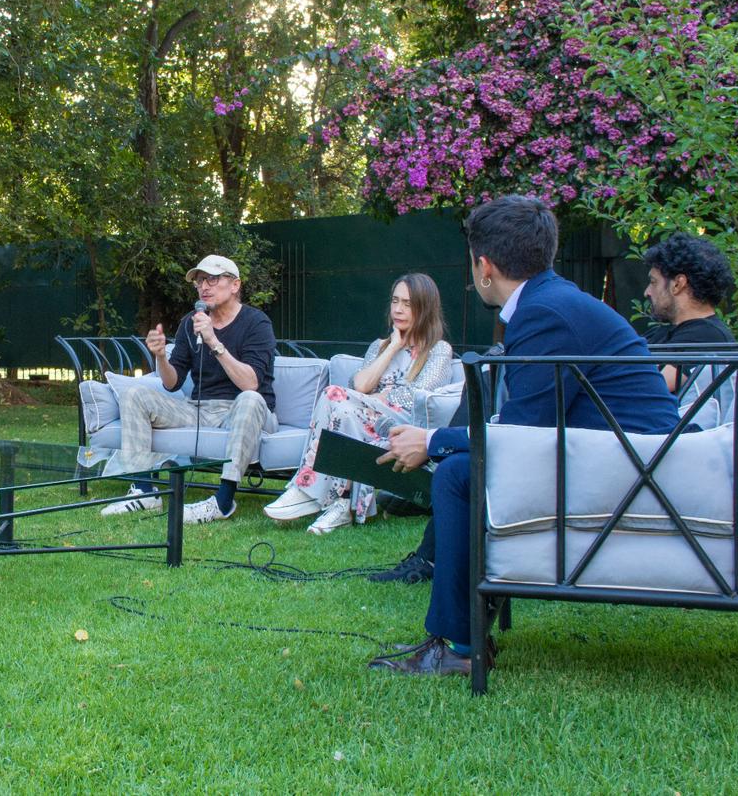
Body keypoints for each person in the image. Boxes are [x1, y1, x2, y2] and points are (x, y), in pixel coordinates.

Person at [371, 195, 680, 676]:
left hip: (637, 470)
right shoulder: (552, 301)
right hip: (627, 456)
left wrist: (431, 443)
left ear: (485, 266)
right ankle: (465, 633)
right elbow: (526, 424)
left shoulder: (544, 313)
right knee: (460, 467)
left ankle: (458, 647)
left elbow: (519, 434)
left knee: (456, 475)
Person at [263, 273, 452, 534]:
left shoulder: (438, 349)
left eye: (408, 303)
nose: (398, 309)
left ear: (425, 307)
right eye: (395, 301)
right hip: (364, 418)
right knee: (340, 407)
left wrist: (381, 398)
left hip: (402, 426)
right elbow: (359, 386)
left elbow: (420, 397)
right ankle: (341, 504)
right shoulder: (380, 346)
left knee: (336, 398)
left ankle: (305, 488)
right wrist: (393, 347)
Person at [100, 255, 277, 524]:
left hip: (247, 411)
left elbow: (250, 383)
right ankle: (144, 491)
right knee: (135, 393)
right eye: (199, 281)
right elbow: (173, 383)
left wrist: (213, 341)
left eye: (212, 279)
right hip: (198, 409)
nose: (204, 286)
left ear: (235, 285)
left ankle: (223, 501)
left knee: (251, 398)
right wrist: (160, 356)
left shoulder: (257, 323)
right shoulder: (190, 322)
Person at [642, 232, 736, 391]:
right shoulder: (661, 332)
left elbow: (647, 387)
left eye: (653, 282)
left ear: (678, 284)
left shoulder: (709, 336)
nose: (647, 292)